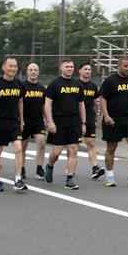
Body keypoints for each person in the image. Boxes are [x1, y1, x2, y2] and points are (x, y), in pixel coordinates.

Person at [98, 57, 128, 187]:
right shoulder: (110, 81)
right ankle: (109, 176)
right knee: (111, 148)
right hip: (113, 119)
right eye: (126, 66)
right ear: (118, 66)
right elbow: (102, 98)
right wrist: (106, 116)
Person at [0, 56, 27, 193]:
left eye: (15, 66)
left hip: (14, 122)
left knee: (18, 149)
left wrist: (22, 119)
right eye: (10, 66)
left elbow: (20, 102)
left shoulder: (19, 84)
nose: (13, 69)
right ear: (4, 67)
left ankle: (18, 179)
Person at [44, 59, 86, 189]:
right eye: (67, 66)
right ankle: (50, 166)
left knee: (73, 149)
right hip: (59, 121)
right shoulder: (54, 84)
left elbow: (81, 104)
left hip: (74, 121)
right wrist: (49, 121)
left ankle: (69, 179)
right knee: (56, 152)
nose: (69, 68)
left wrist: (83, 123)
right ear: (61, 68)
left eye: (71, 66)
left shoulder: (77, 84)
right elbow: (47, 104)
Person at [78, 62, 105, 179]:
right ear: (80, 71)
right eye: (85, 69)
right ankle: (70, 167)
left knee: (91, 143)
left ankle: (95, 167)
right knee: (73, 146)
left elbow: (95, 103)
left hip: (89, 118)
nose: (88, 71)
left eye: (89, 69)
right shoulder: (75, 84)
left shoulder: (93, 86)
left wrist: (96, 117)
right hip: (75, 119)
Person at [21, 63, 47, 181]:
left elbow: (44, 107)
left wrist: (48, 120)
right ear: (27, 72)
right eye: (31, 70)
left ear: (38, 72)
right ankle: (21, 167)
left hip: (37, 120)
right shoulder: (22, 86)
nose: (33, 72)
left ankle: (39, 167)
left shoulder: (42, 89)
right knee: (22, 147)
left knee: (41, 142)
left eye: (35, 70)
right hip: (24, 120)